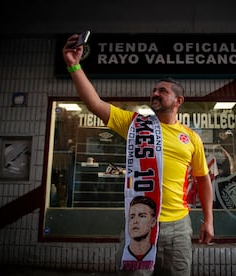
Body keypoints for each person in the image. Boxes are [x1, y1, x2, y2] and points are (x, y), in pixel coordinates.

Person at [62, 34, 214, 275]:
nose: (155, 93)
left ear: (178, 101)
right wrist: (73, 64)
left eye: (162, 91)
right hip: (139, 224)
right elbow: (93, 103)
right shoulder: (135, 124)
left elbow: (203, 180)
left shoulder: (191, 137)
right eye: (154, 90)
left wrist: (209, 220)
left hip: (178, 227)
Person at [122, 196, 158, 269]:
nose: (135, 221)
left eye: (142, 216)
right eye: (132, 217)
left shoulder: (157, 254)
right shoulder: (121, 254)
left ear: (153, 222)